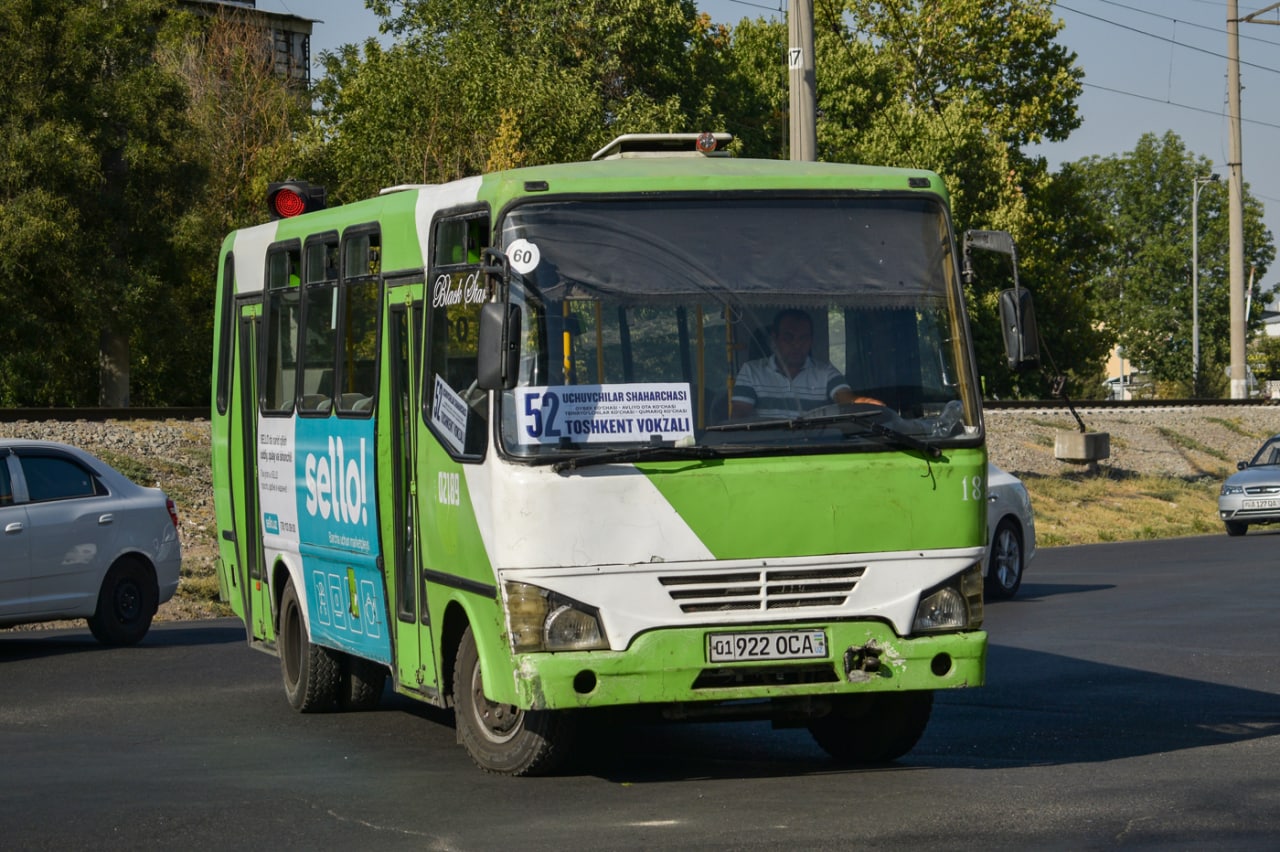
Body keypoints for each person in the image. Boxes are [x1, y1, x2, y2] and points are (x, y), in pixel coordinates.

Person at [730, 308, 882, 419]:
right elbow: (740, 416)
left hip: (813, 450)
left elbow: (847, 400)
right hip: (764, 452)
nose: (797, 345)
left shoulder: (826, 373)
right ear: (774, 339)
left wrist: (866, 403)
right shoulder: (751, 371)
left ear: (811, 341)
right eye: (789, 337)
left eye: (803, 338)